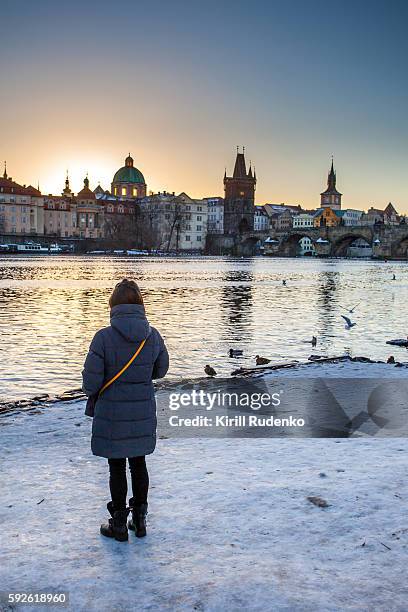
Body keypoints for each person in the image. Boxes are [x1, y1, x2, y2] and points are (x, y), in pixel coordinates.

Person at [82, 279, 169, 542]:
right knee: (139, 463)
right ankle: (139, 521)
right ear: (140, 304)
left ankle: (119, 523)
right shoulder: (152, 335)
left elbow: (91, 384)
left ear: (113, 305)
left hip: (112, 415)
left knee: (116, 467)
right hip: (141, 411)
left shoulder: (103, 338)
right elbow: (161, 370)